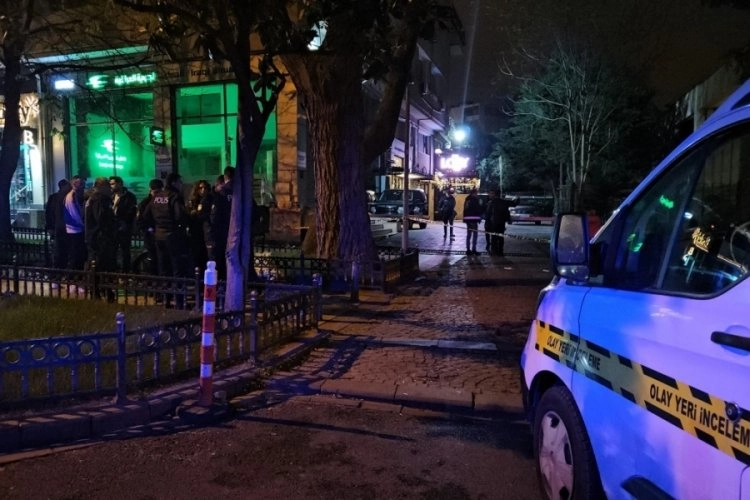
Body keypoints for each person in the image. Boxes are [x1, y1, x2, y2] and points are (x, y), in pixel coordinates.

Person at [143, 173, 190, 308]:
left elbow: (145, 215)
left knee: (163, 268)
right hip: (173, 236)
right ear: (174, 182)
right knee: (176, 268)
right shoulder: (174, 196)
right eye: (180, 182)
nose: (181, 185)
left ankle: (166, 299)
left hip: (159, 236)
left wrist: (153, 229)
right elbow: (180, 215)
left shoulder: (157, 197)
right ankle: (179, 301)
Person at [85, 177, 118, 302]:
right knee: (102, 265)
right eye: (108, 186)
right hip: (101, 238)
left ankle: (98, 291)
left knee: (96, 264)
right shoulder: (100, 199)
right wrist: (113, 225)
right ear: (102, 187)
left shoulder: (91, 198)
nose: (110, 188)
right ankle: (100, 291)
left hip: (94, 237)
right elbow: (101, 218)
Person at [109, 176, 137, 273]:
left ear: (120, 184)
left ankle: (125, 271)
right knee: (112, 250)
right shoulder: (111, 196)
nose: (111, 186)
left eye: (113, 184)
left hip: (124, 228)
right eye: (110, 184)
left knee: (125, 251)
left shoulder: (129, 197)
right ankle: (114, 271)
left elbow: (131, 212)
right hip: (113, 228)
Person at [136, 178, 163, 276]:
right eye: (155, 192)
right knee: (153, 257)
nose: (157, 195)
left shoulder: (161, 201)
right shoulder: (145, 203)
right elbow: (140, 220)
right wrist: (148, 229)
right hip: (150, 234)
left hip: (160, 233)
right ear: (150, 190)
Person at [211, 166, 234, 279]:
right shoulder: (240, 190)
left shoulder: (221, 192)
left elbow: (214, 215)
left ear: (225, 176)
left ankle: (223, 281)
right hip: (237, 230)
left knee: (222, 256)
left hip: (223, 230)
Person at [187, 179, 213, 272]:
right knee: (196, 255)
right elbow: (189, 214)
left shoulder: (210, 200)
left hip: (207, 231)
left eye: (205, 188)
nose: (203, 190)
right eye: (201, 188)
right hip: (195, 231)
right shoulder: (193, 201)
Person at [62, 175, 87, 270]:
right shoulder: (71, 196)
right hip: (74, 230)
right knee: (75, 255)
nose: (83, 186)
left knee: (77, 255)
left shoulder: (75, 195)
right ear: (74, 184)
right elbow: (75, 214)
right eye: (81, 183)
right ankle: (73, 275)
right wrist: (83, 225)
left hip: (75, 229)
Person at [45, 179, 71, 268]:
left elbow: (48, 213)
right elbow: (49, 213)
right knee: (59, 249)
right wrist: (50, 227)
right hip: (59, 228)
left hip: (59, 227)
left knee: (59, 249)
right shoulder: (55, 198)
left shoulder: (56, 197)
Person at [485, 189, 511, 256]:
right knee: (501, 238)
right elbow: (506, 212)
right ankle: (500, 252)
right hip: (501, 223)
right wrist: (508, 219)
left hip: (493, 223)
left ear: (494, 194)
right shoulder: (503, 202)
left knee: (494, 238)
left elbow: (488, 214)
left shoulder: (491, 203)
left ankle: (494, 251)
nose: (489, 195)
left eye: (491, 193)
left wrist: (487, 223)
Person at [463, 187, 483, 255]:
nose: (477, 194)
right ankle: (473, 249)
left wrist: (465, 219)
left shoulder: (467, 199)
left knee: (469, 235)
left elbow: (465, 209)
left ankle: (468, 250)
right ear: (474, 193)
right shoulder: (475, 200)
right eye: (476, 193)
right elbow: (477, 210)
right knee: (474, 235)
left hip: (468, 219)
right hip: (473, 219)